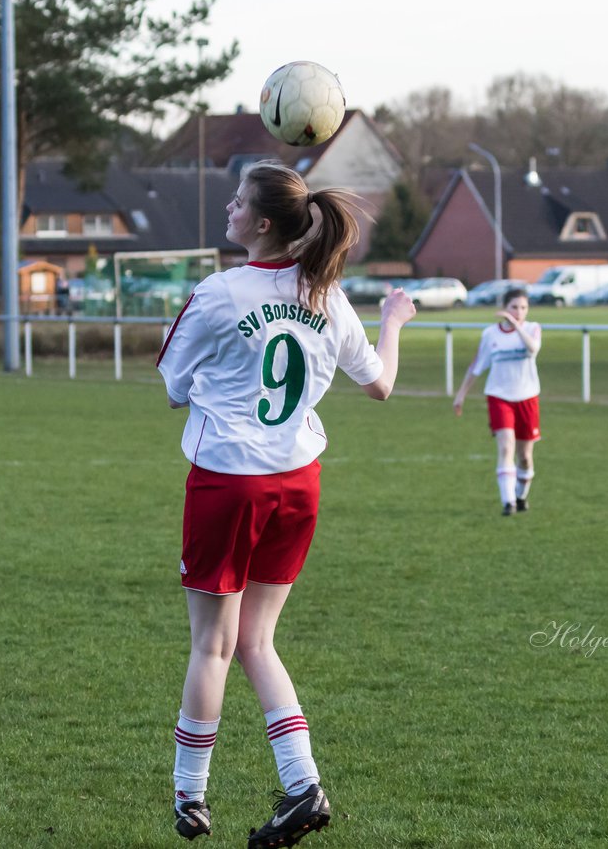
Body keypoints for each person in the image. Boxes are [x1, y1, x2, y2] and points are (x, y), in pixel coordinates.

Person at [156, 160, 416, 846]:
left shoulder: (218, 292)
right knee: (257, 641)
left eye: (238, 203)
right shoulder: (328, 295)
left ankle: (190, 799)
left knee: (214, 644)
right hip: (298, 481)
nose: (228, 211)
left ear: (263, 223)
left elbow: (173, 387)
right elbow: (381, 384)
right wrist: (394, 319)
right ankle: (303, 785)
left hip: (228, 480)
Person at [452, 288, 542, 516]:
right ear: (504, 307)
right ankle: (508, 502)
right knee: (505, 446)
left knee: (525, 456)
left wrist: (516, 325)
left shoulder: (532, 329)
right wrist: (461, 393)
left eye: (523, 308)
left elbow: (532, 349)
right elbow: (477, 366)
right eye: (514, 307)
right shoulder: (490, 334)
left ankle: (521, 497)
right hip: (499, 397)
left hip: (527, 397)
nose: (519, 312)